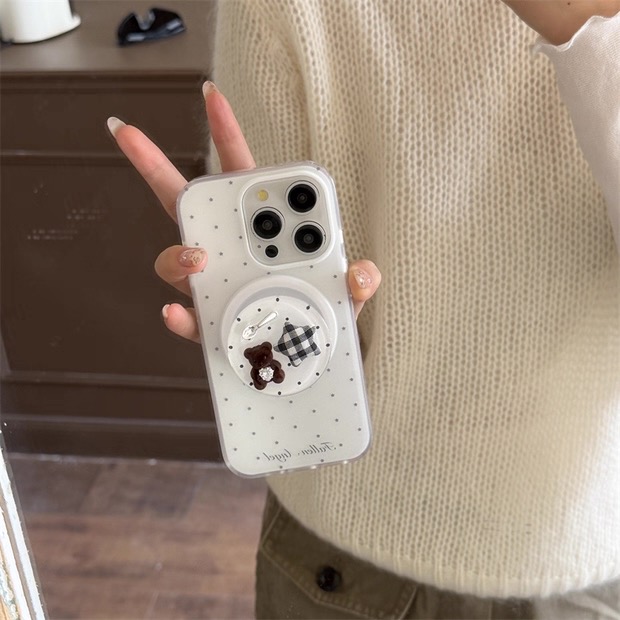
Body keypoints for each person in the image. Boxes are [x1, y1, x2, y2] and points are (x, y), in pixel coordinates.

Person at [107, 0, 620, 617]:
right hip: (358, 549)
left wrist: (592, 34)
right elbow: (257, 276)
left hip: (590, 539)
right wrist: (270, 321)